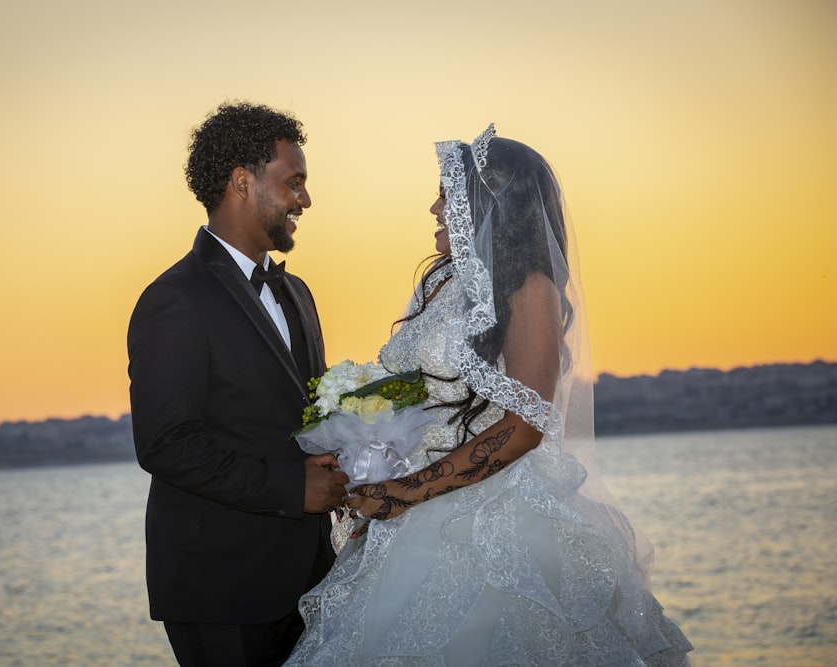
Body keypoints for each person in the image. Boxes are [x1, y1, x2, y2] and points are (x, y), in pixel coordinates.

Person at [285, 125, 694, 665]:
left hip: (490, 511)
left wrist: (406, 492)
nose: (434, 208)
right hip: (407, 507)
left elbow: (524, 426)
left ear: (490, 206)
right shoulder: (442, 282)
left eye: (446, 194)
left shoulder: (530, 289)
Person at [127, 102, 350, 667]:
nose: (305, 199)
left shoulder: (297, 292)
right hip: (220, 587)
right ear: (241, 182)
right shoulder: (173, 300)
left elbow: (303, 420)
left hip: (311, 580)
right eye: (293, 183)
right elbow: (165, 444)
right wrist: (290, 488)